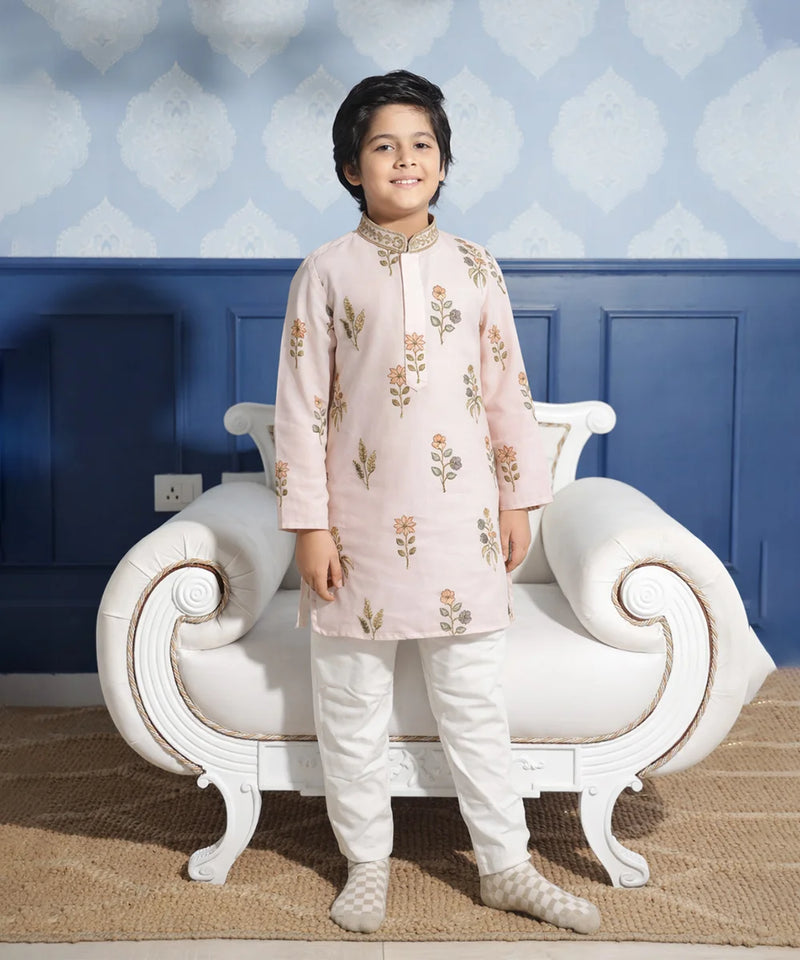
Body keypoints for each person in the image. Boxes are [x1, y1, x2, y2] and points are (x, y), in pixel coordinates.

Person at [273, 70, 600, 936]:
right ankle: (366, 863)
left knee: (474, 705)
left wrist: (519, 498)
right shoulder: (326, 273)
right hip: (356, 529)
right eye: (383, 146)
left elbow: (505, 392)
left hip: (463, 523)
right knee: (349, 706)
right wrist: (309, 526)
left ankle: (504, 864)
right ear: (352, 167)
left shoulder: (475, 267)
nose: (404, 159)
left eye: (422, 145)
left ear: (445, 163)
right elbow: (302, 408)